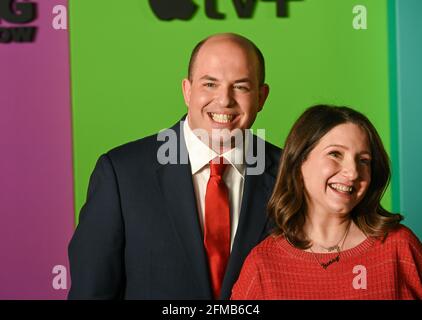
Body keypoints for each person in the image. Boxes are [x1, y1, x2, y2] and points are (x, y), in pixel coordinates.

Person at [68, 33, 281, 299]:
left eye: (241, 86)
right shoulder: (122, 175)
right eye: (210, 84)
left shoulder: (291, 175)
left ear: (262, 97)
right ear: (187, 90)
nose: (224, 100)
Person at [231, 105, 422, 300]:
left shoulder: (400, 247)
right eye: (335, 154)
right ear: (298, 162)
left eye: (363, 160)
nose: (353, 172)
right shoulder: (263, 264)